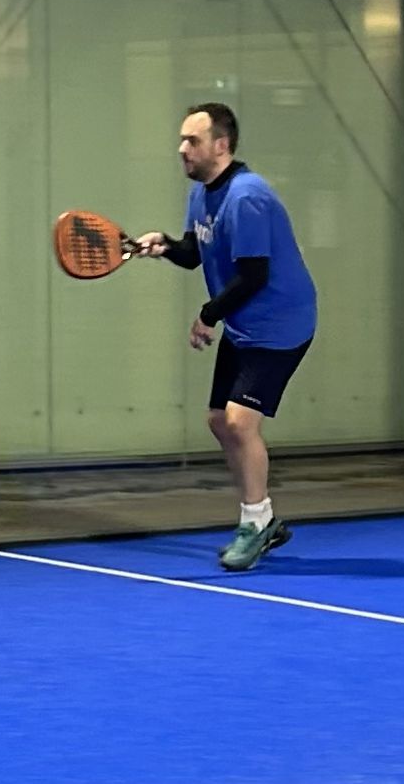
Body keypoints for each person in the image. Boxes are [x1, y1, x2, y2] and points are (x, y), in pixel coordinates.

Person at [138, 103, 316, 571]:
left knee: (239, 423)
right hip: (244, 323)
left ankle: (254, 524)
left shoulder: (247, 197)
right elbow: (194, 252)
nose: (182, 149)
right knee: (219, 421)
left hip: (281, 325)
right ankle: (265, 518)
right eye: (181, 139)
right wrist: (164, 246)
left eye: (192, 140)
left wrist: (208, 315)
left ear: (221, 145)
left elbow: (254, 275)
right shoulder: (201, 193)